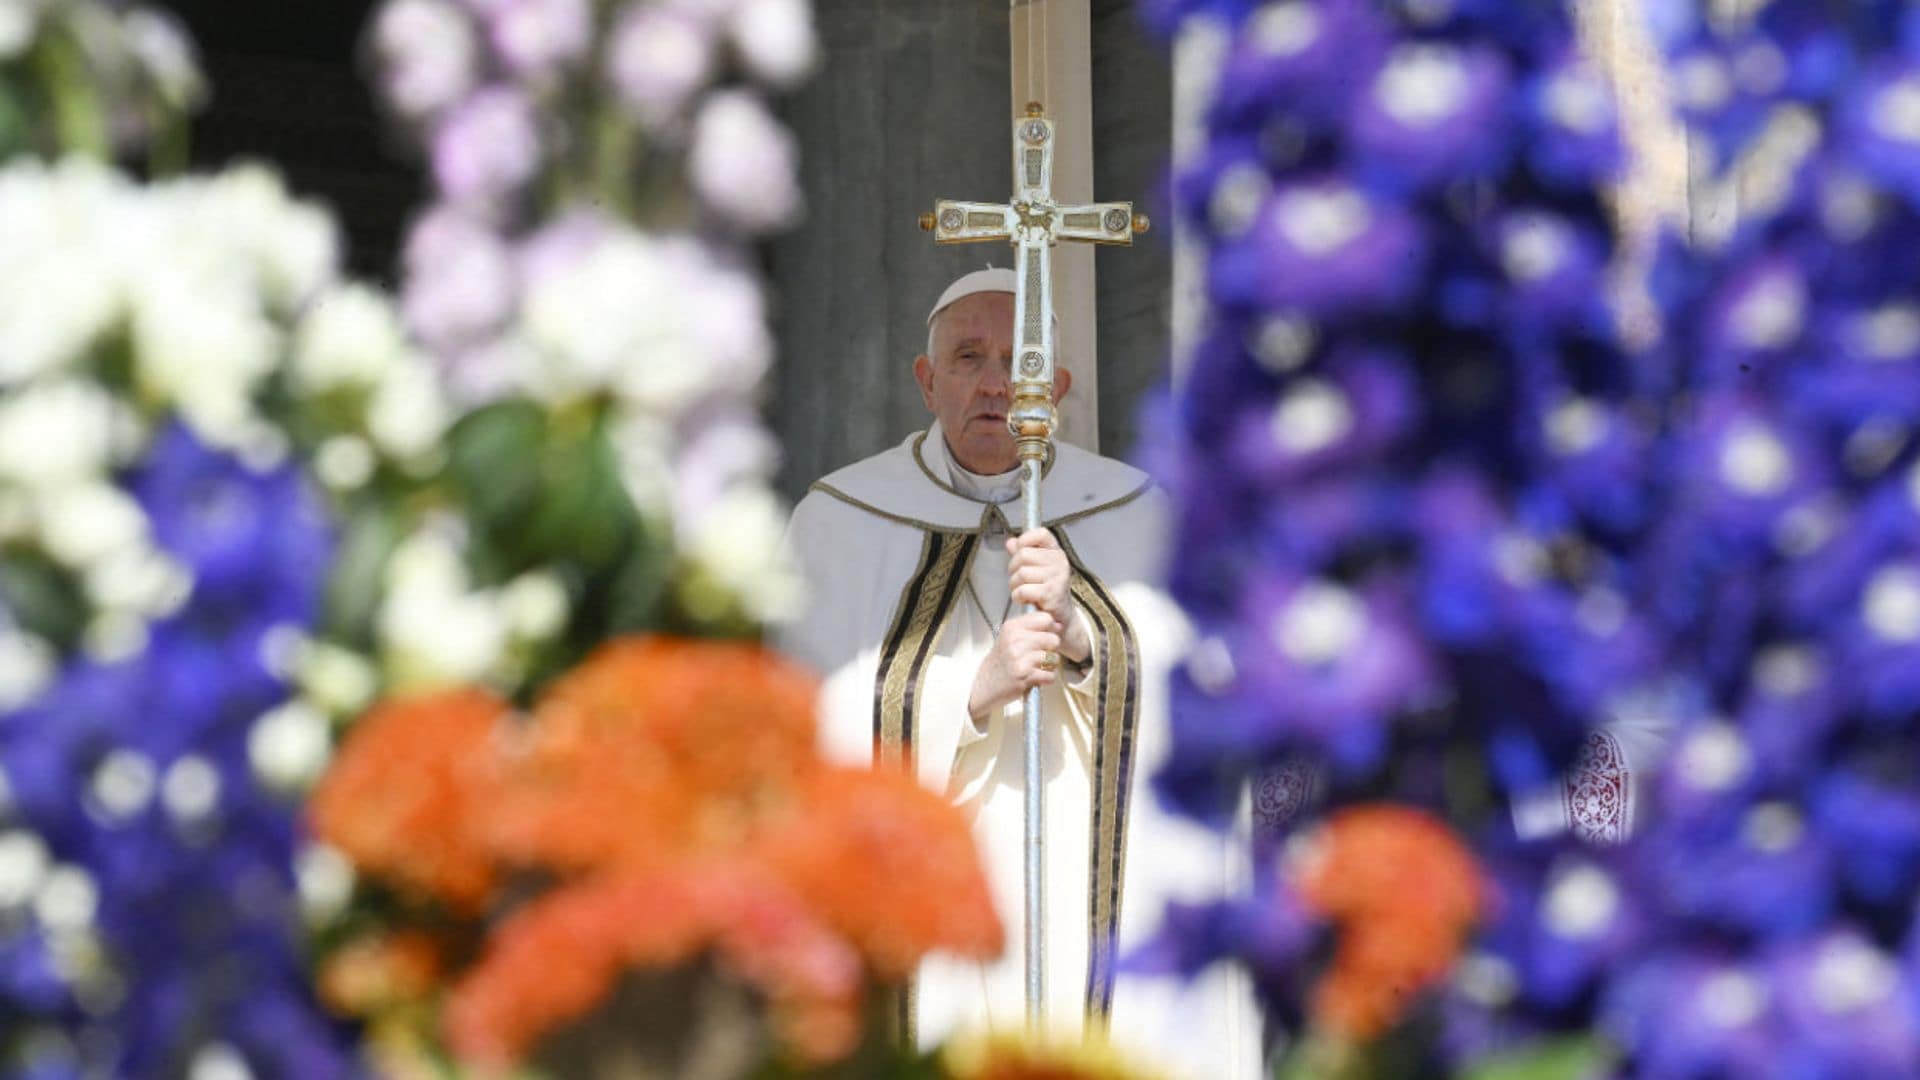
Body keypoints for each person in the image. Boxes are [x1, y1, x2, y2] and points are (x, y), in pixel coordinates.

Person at [775, 268, 1259, 1075]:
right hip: (938, 883)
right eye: (969, 356)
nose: (999, 383)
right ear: (927, 381)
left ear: (1060, 387)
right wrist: (968, 691)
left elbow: (1209, 708)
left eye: (1021, 360)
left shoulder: (1138, 510)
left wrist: (1085, 634)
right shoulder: (838, 520)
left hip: (1092, 883)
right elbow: (799, 734)